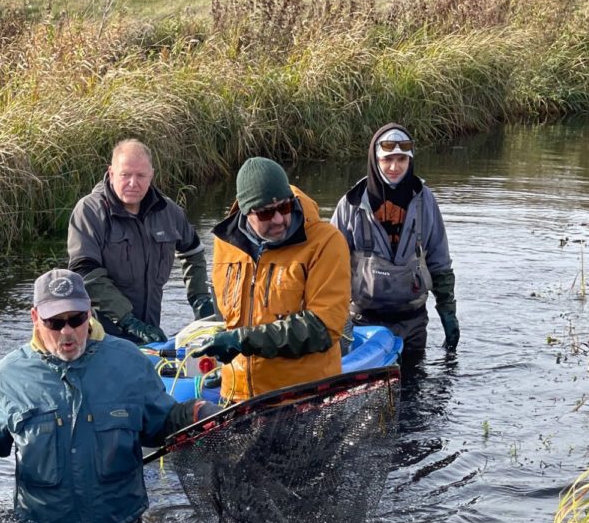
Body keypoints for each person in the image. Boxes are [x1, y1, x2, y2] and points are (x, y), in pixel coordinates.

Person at [0, 268, 218, 523]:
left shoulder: (128, 361)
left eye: (76, 319)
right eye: (55, 322)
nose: (67, 331)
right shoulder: (10, 374)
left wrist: (197, 411)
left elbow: (163, 421)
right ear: (35, 318)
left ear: (89, 313)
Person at [193, 157, 351, 401]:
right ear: (245, 212)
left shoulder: (326, 242)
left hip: (303, 398)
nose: (278, 219)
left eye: (285, 207)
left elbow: (323, 327)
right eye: (266, 212)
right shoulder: (224, 243)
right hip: (236, 396)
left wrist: (242, 340)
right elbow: (227, 317)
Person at [67, 139, 215, 345]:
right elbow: (85, 273)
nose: (133, 183)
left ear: (151, 175)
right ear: (111, 173)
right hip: (100, 340)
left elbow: (194, 251)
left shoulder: (169, 211)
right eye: (125, 175)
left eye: (140, 175)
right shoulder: (90, 211)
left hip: (151, 336)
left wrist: (200, 299)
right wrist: (128, 321)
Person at [329, 123, 459, 355]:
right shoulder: (350, 204)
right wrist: (339, 322)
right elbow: (329, 268)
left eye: (401, 160)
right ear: (374, 159)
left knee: (414, 385)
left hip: (414, 323)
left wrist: (448, 312)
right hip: (363, 324)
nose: (394, 167)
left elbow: (439, 263)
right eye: (387, 159)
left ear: (410, 161)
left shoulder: (426, 201)